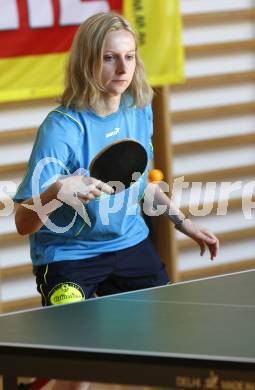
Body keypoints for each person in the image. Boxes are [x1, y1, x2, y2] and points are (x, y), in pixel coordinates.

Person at [14, 12, 219, 390]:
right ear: (88, 61)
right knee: (83, 365)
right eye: (109, 57)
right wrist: (57, 190)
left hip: (127, 243)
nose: (122, 67)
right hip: (68, 256)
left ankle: (54, 370)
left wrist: (184, 223)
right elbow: (23, 223)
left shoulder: (138, 109)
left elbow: (140, 186)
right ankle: (48, 375)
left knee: (166, 341)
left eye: (129, 56)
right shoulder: (61, 128)